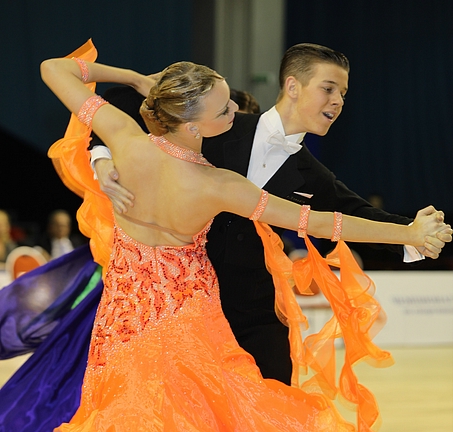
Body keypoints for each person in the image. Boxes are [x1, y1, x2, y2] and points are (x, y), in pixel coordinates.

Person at [22, 45, 451, 432]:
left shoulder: (125, 138)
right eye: (226, 108)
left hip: (126, 325)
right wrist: (411, 234)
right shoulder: (218, 183)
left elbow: (54, 68)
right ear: (194, 122)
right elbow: (319, 223)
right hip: (191, 326)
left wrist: (135, 79)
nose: (236, 113)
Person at [93, 43, 447, 385]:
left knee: (277, 403)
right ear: (292, 86)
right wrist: (102, 155)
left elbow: (354, 213)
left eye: (342, 93)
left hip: (255, 311)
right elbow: (123, 104)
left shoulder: (314, 176)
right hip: (182, 305)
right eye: (328, 88)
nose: (338, 101)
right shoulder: (217, 122)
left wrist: (414, 234)